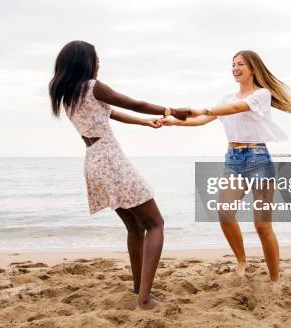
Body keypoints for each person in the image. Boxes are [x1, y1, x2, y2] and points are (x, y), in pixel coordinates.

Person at [49, 40, 190, 309]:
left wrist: (146, 123)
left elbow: (111, 113)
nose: (98, 63)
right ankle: (145, 300)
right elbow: (135, 103)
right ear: (85, 62)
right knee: (156, 224)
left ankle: (139, 288)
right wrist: (171, 111)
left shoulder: (69, 93)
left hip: (94, 162)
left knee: (135, 227)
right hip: (111, 160)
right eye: (96, 59)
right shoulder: (93, 87)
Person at [162, 50, 291, 282]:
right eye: (233, 65)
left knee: (262, 226)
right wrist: (172, 123)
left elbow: (236, 109)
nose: (235, 68)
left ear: (253, 68)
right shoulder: (227, 97)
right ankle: (241, 259)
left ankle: (274, 279)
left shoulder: (261, 94)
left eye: (240, 64)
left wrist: (205, 109)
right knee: (224, 212)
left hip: (258, 159)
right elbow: (202, 120)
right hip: (233, 159)